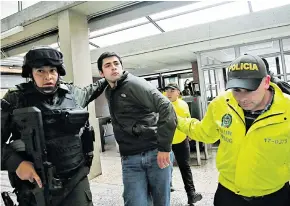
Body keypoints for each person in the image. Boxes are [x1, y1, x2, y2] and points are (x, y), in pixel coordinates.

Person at [177, 54, 290, 206]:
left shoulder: (287, 109)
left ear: (266, 82)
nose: (242, 98)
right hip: (229, 195)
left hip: (274, 196)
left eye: (250, 89)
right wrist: (176, 121)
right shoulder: (221, 104)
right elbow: (205, 133)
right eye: (236, 89)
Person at [1, 46, 108, 206]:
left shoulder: (71, 93)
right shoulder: (15, 98)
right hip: (36, 183)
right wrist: (17, 163)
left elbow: (91, 90)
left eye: (52, 70)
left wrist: (109, 78)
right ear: (31, 73)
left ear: (59, 72)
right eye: (40, 71)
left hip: (76, 178)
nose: (48, 76)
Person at [97, 52, 177, 206]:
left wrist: (164, 148)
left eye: (116, 64)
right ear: (101, 73)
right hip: (130, 158)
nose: (113, 67)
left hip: (155, 153)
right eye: (108, 65)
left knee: (161, 202)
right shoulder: (109, 91)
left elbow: (167, 107)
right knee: (134, 202)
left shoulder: (135, 84)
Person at [164, 82, 202, 205]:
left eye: (172, 90)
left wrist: (189, 133)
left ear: (178, 92)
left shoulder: (183, 104)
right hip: (166, 142)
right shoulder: (162, 104)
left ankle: (191, 194)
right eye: (167, 90)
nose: (169, 93)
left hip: (181, 140)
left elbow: (188, 119)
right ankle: (164, 193)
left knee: (185, 167)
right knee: (163, 167)